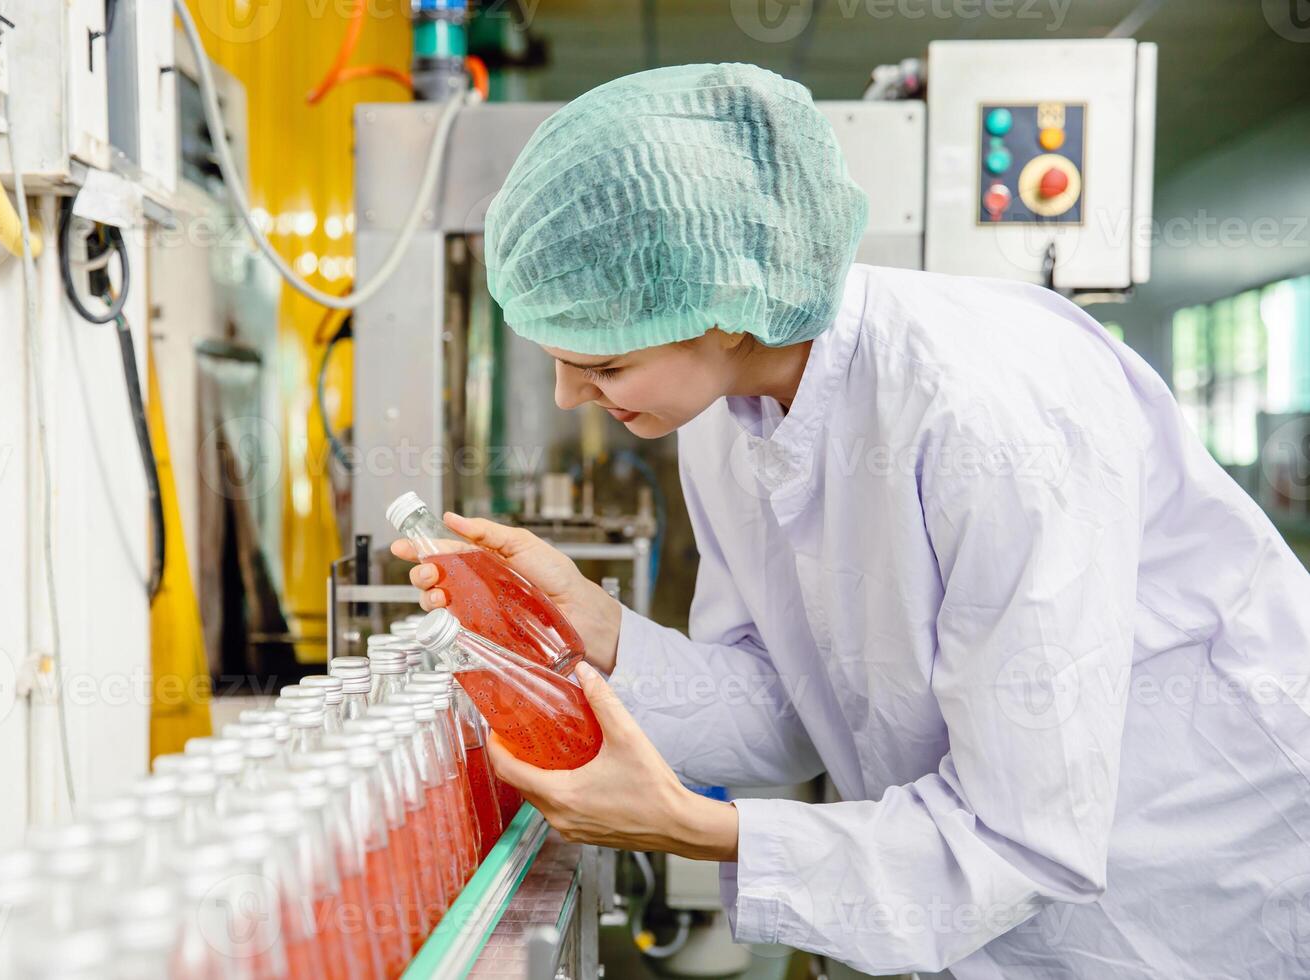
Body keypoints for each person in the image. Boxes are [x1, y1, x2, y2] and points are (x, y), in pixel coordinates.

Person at [392, 63, 1310, 978]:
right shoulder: (728, 416)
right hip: (982, 903)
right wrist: (597, 634)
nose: (569, 393)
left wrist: (695, 829)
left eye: (602, 364)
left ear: (725, 310)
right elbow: (793, 707)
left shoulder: (987, 412)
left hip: (1191, 895)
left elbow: (1025, 841)